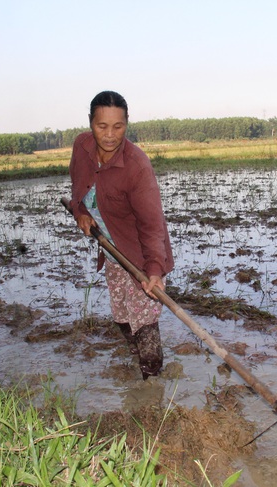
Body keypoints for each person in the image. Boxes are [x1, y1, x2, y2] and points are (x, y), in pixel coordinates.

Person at [68, 90, 174, 379]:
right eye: (102, 126)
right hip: (111, 250)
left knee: (145, 325)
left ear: (127, 123)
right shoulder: (82, 147)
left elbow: (152, 224)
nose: (110, 135)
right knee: (123, 319)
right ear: (90, 122)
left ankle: (152, 387)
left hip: (140, 255)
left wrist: (153, 271)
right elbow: (77, 184)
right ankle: (135, 361)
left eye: (119, 126)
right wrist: (80, 213)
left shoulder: (137, 166)